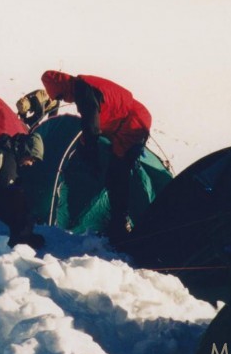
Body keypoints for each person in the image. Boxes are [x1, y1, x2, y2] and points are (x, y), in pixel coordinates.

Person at [40, 71, 152, 241]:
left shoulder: (84, 91)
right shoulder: (81, 86)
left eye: (61, 96)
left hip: (132, 126)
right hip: (124, 124)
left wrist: (90, 153)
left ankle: (120, 226)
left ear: (62, 87)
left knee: (119, 174)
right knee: (116, 173)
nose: (64, 100)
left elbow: (92, 125)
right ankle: (118, 222)